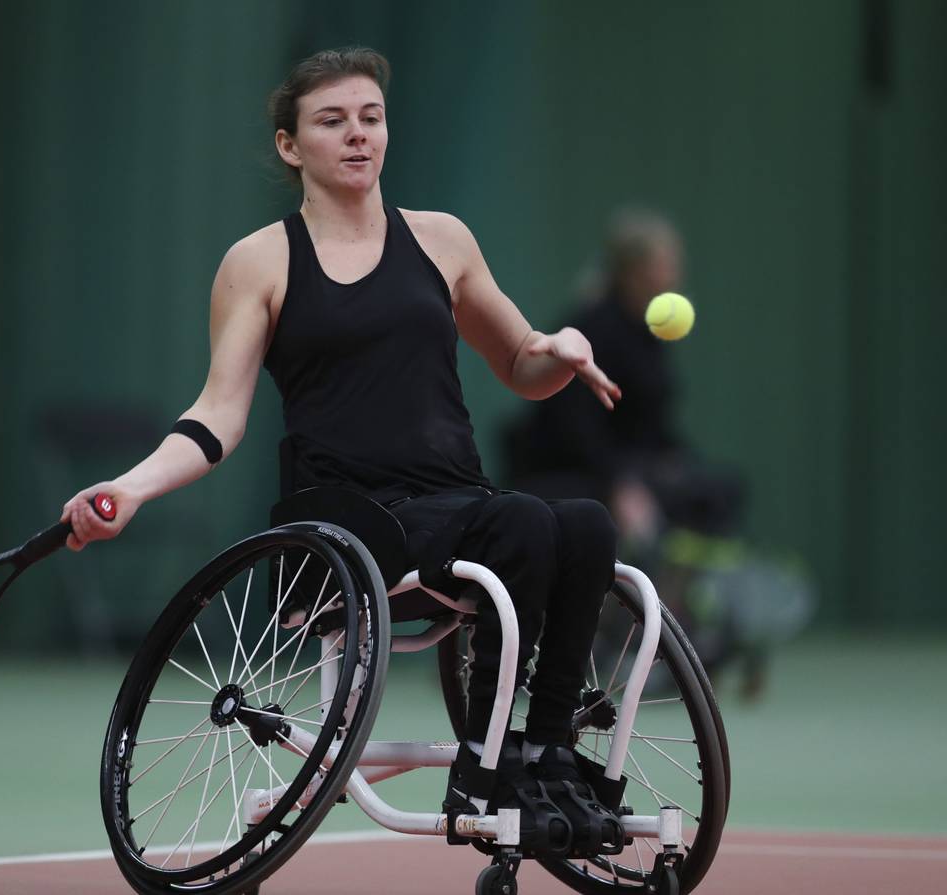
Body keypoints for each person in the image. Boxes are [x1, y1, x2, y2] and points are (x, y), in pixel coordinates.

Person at [60, 47, 624, 857]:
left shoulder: (443, 241)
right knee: (529, 524)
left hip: (456, 504)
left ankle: (545, 752)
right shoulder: (259, 261)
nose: (358, 135)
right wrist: (132, 487)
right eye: (332, 121)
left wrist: (561, 347)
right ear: (292, 145)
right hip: (347, 524)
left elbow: (521, 365)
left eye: (371, 117)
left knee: (589, 526)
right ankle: (484, 765)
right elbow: (217, 416)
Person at [509, 208, 745, 554]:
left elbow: (651, 425)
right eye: (665, 264)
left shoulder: (650, 333)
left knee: (721, 490)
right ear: (634, 271)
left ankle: (679, 602)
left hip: (633, 468)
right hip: (573, 472)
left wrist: (676, 460)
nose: (674, 275)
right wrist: (619, 485)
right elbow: (574, 427)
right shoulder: (593, 328)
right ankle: (624, 600)